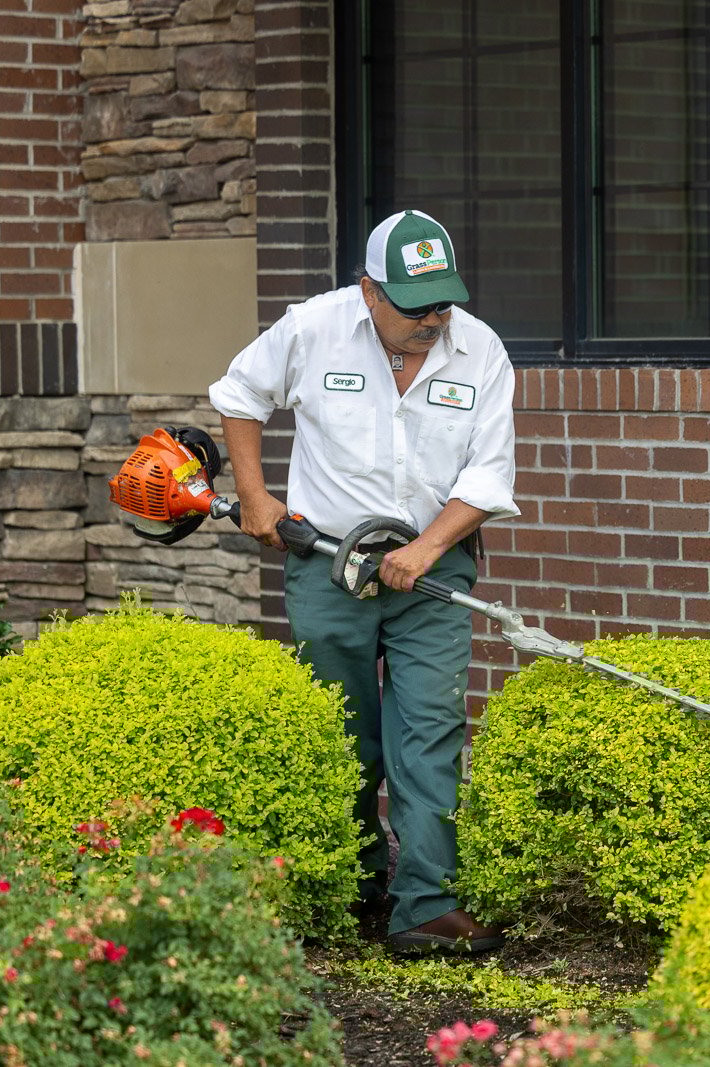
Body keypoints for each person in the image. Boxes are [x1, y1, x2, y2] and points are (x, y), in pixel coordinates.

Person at [208, 209, 517, 954]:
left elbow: (488, 472)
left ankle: (426, 903)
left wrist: (430, 545)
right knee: (340, 728)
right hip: (326, 566)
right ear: (369, 290)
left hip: (430, 568)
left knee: (429, 729)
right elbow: (238, 394)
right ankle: (351, 878)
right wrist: (255, 495)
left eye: (444, 301)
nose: (434, 320)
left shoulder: (481, 351)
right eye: (416, 306)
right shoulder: (313, 328)